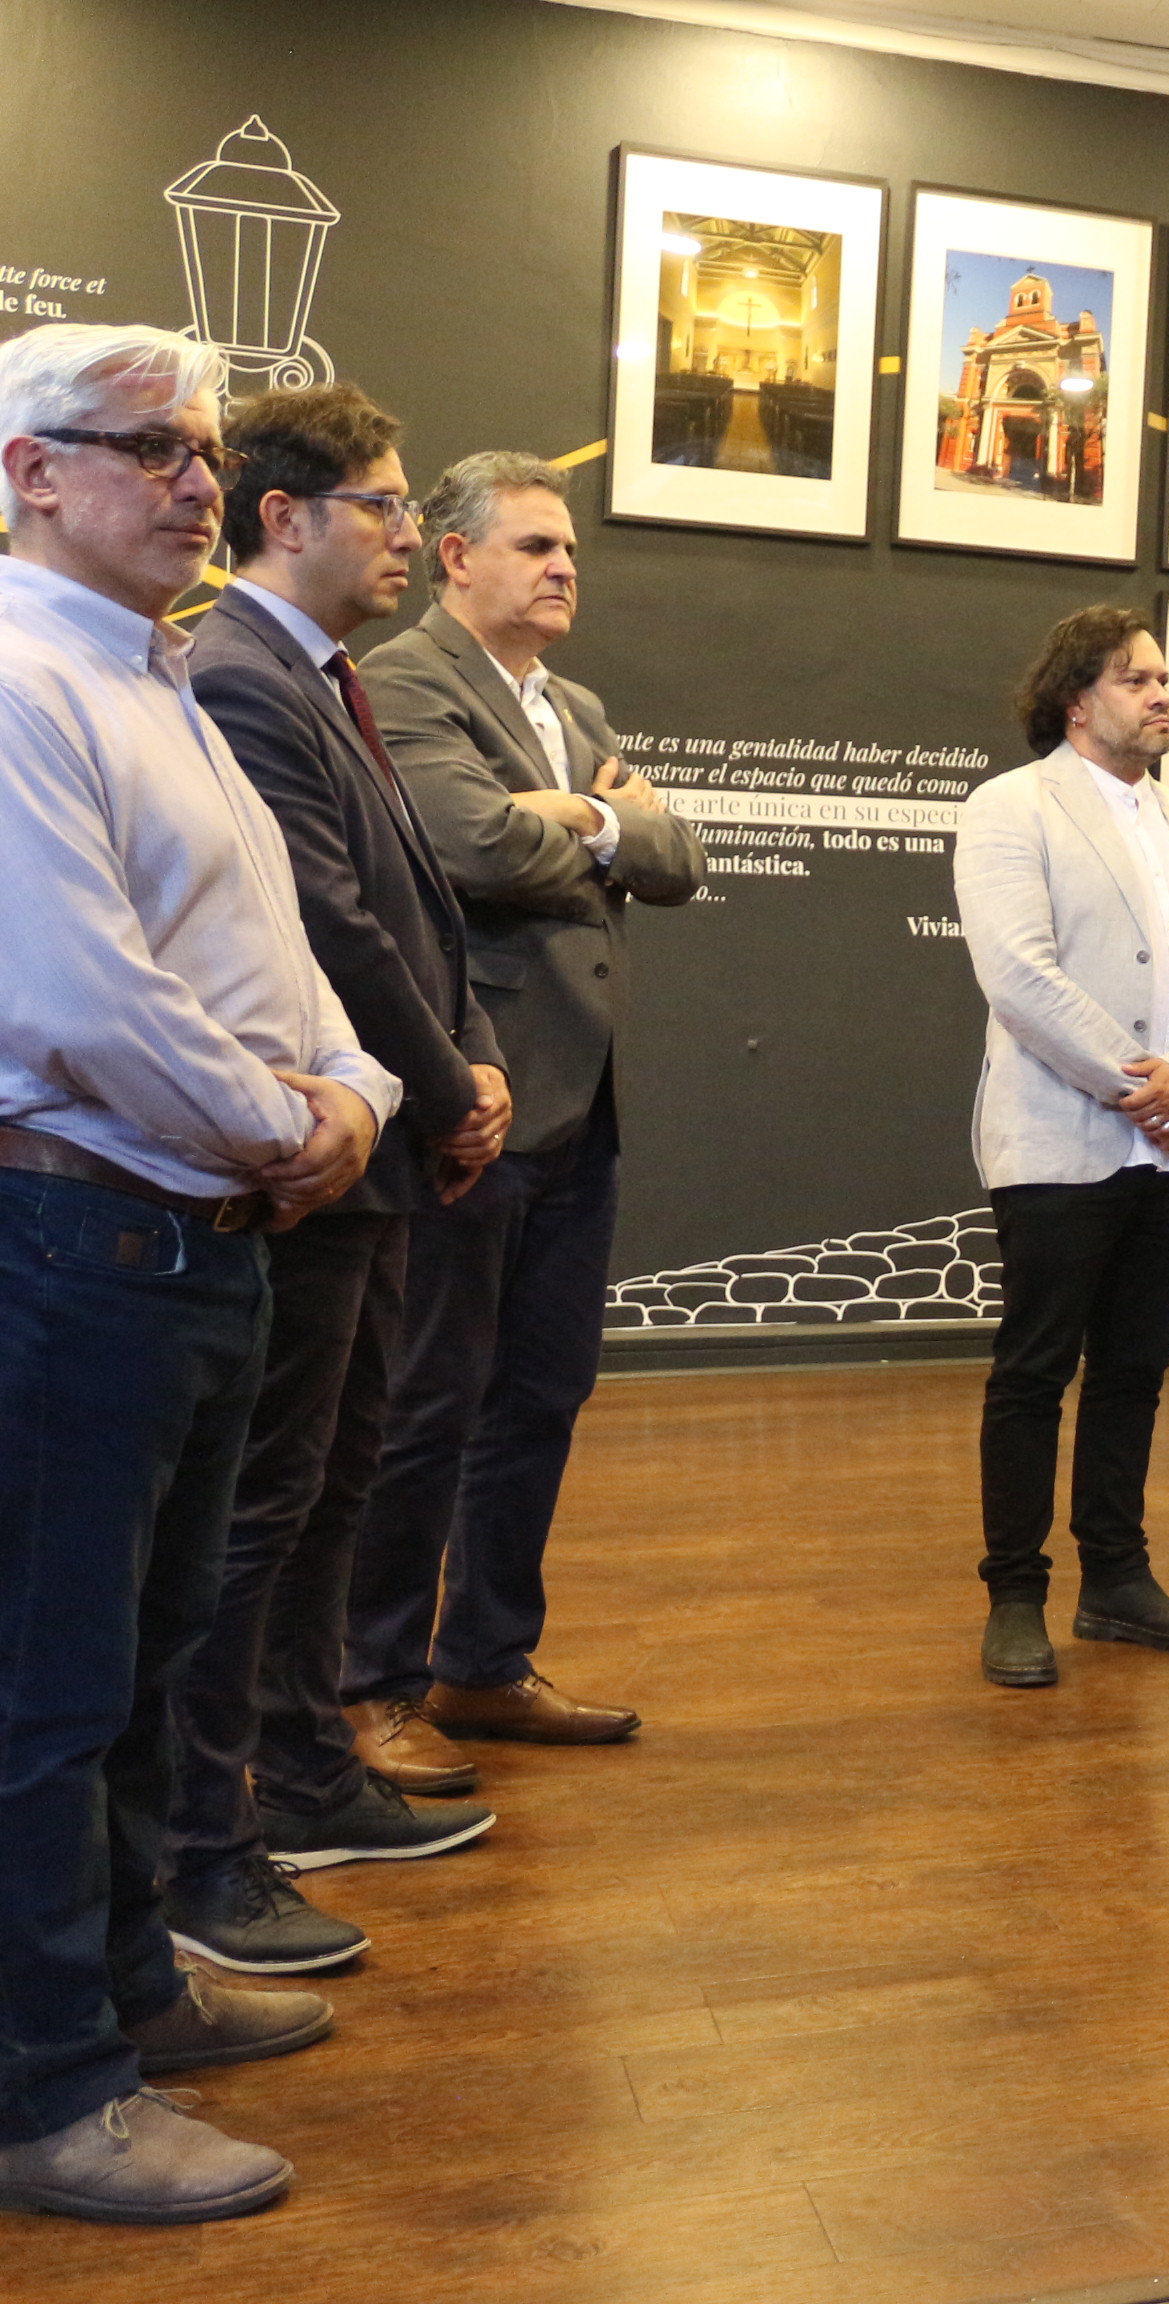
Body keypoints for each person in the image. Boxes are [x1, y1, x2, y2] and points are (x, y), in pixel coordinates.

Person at [0, 322, 397, 2223]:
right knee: (46, 1692)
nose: (195, 480)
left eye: (205, 448)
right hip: (77, 1240)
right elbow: (81, 999)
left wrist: (355, 1093)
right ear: (29, 471)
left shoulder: (158, 676)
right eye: (147, 446)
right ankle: (45, 2089)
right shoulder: (20, 681)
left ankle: (131, 1988)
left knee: (151, 1663)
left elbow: (283, 958)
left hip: (191, 1240)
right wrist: (284, 1127)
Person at [166, 387, 513, 1977]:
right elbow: (327, 926)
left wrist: (467, 1061)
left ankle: (306, 1776)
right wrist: (443, 1089)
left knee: (325, 1490)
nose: (405, 533)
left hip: (374, 1141)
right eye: (381, 504)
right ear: (283, 517)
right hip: (311, 1149)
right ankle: (214, 1830)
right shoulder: (243, 675)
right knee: (265, 1507)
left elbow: (415, 915)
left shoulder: (320, 677)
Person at [348, 452, 703, 1774]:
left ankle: (484, 1663)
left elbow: (677, 861)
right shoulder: (405, 683)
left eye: (571, 552)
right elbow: (467, 846)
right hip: (474, 1098)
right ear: (455, 557)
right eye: (537, 546)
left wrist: (586, 821)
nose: (564, 569)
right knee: (426, 1403)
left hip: (581, 1106)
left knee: (543, 1393)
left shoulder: (575, 703)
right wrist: (605, 825)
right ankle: (368, 1686)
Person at [956, 608, 1169, 1687]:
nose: (1163, 694)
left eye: (1164, 677)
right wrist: (1144, 1084)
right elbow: (1019, 975)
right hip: (1061, 1138)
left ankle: (1117, 1582)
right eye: (1136, 679)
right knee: (1035, 1372)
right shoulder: (1010, 807)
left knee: (1134, 1371)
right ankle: (1015, 1594)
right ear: (1076, 700)